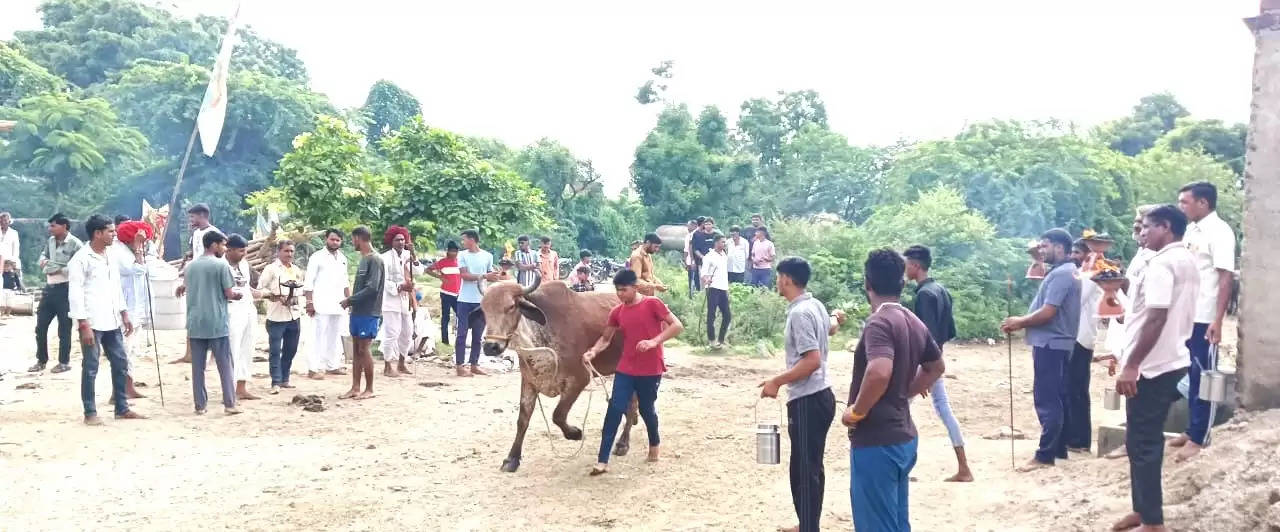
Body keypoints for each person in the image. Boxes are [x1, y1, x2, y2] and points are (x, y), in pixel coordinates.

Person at [842, 249, 945, 532]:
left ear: (867, 284)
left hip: (878, 441)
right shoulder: (912, 320)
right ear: (901, 283)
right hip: (903, 438)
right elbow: (936, 367)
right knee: (897, 523)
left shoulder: (879, 321)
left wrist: (856, 412)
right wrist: (904, 393)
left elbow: (879, 371)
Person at [1110, 204, 1198, 532]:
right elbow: (1150, 307)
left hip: (1153, 365)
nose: (1142, 232)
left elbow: (1158, 316)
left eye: (1147, 227)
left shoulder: (1163, 262)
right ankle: (1143, 509)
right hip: (1170, 357)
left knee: (1143, 443)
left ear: (1165, 227)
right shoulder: (1185, 259)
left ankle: (1152, 523)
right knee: (1139, 440)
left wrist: (1132, 364)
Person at [760, 256, 846, 532]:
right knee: (809, 465)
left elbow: (811, 361)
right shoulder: (815, 305)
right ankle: (807, 524)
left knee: (804, 471)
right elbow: (830, 327)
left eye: (778, 278)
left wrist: (776, 381)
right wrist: (836, 318)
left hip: (808, 399)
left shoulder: (799, 313)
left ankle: (809, 527)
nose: (777, 282)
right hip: (821, 395)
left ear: (786, 279)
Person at [583, 269, 685, 476]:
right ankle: (602, 460)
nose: (620, 294)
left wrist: (654, 341)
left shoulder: (652, 304)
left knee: (647, 409)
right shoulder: (617, 312)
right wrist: (593, 351)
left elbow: (677, 326)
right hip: (626, 368)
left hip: (651, 368)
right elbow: (605, 338)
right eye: (617, 290)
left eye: (624, 290)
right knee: (614, 409)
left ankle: (654, 445)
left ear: (635, 288)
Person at [1001, 228, 1081, 472]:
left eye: (1045, 246)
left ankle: (1044, 455)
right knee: (1057, 396)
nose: (1042, 251)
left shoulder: (1062, 274)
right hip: (1057, 343)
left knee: (1047, 399)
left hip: (1051, 343)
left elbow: (1048, 312)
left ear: (1059, 247)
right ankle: (1058, 449)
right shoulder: (1065, 272)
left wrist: (1019, 322)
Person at [1172, 181, 1236, 462]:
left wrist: (1217, 320)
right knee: (1191, 374)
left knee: (1204, 375)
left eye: (1185, 202)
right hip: (1187, 313)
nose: (1181, 207)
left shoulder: (1219, 232)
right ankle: (1191, 429)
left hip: (1205, 316)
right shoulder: (1191, 230)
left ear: (1203, 203)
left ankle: (1201, 436)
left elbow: (1225, 278)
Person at [902, 245, 972, 482]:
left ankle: (904, 466)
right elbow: (947, 332)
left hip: (927, 363)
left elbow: (925, 337)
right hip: (937, 358)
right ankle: (963, 467)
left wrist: (925, 373)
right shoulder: (940, 290)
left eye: (907, 264)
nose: (904, 268)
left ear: (915, 266)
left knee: (901, 408)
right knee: (943, 408)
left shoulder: (924, 295)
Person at [68, 215, 145, 424]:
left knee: (120, 363)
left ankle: (122, 407)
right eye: (110, 231)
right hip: (92, 321)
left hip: (112, 319)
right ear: (97, 233)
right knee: (91, 367)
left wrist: (124, 312)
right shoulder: (81, 259)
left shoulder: (111, 255)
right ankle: (90, 412)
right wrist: (83, 324)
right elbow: (75, 294)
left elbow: (115, 286)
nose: (114, 234)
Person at [181, 229, 242, 416]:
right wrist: (237, 295)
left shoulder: (189, 267)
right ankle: (230, 404)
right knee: (225, 365)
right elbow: (229, 293)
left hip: (195, 321)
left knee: (198, 367)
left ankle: (200, 405)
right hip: (216, 321)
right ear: (214, 245)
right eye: (223, 245)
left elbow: (187, 287)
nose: (225, 248)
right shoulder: (221, 266)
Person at [32, 212, 82, 373]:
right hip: (49, 288)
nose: (50, 228)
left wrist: (58, 268)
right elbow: (43, 256)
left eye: (53, 225)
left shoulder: (75, 244)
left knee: (64, 328)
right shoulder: (51, 241)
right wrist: (45, 263)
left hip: (65, 289)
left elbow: (78, 268)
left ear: (64, 226)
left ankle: (64, 362)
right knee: (40, 327)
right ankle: (41, 360)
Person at [110, 220, 153, 401]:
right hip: (124, 309)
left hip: (136, 309)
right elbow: (136, 270)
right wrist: (137, 247)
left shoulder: (128, 251)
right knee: (123, 352)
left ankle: (129, 386)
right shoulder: (119, 253)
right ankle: (117, 392)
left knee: (132, 351)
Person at [1066, 238, 1102, 454]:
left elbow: (1076, 300)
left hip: (1081, 338)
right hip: (1076, 337)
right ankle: (1074, 437)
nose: (1074, 256)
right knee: (1072, 389)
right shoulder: (1082, 274)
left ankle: (1079, 440)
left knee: (1077, 390)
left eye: (1079, 252)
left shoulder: (1092, 276)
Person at [339, 226, 384, 400]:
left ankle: (370, 388)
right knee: (357, 349)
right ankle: (355, 387)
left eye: (353, 239)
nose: (352, 243)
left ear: (358, 238)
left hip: (369, 311)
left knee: (364, 349)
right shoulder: (364, 259)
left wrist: (350, 300)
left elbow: (372, 288)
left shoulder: (376, 260)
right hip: (357, 312)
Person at [257, 240, 305, 394]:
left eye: (291, 251)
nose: (289, 254)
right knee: (275, 350)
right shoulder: (271, 269)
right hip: (276, 316)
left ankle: (285, 379)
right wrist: (274, 296)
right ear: (278, 252)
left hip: (294, 315)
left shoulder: (297, 270)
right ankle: (275, 381)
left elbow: (301, 290)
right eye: (286, 251)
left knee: (291, 349)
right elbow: (260, 288)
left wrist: (295, 300)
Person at [304, 228, 350, 380]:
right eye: (332, 239)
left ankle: (332, 365)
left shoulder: (343, 258)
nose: (335, 242)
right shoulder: (317, 257)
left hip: (338, 303)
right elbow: (309, 280)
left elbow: (345, 282)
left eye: (337, 240)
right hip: (320, 302)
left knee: (335, 335)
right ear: (326, 239)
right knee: (317, 335)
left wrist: (349, 300)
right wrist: (309, 302)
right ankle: (313, 368)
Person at [455, 229, 499, 377]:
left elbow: (491, 276)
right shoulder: (462, 255)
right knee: (461, 334)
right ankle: (460, 365)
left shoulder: (488, 256)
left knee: (478, 335)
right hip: (464, 300)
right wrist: (485, 276)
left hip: (481, 301)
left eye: (464, 239)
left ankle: (474, 364)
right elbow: (464, 275)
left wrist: (496, 276)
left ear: (472, 240)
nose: (463, 243)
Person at [224, 234, 262, 401]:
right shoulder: (221, 266)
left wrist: (261, 294)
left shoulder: (244, 265)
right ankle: (228, 389)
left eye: (244, 250)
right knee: (232, 350)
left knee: (248, 348)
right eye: (240, 251)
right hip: (231, 311)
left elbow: (246, 287)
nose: (243, 254)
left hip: (248, 309)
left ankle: (241, 387)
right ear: (229, 249)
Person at [379, 226, 417, 377]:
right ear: (391, 241)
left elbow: (419, 271)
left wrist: (414, 254)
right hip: (390, 300)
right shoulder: (385, 258)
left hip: (405, 300)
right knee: (392, 333)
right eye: (397, 240)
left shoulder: (408, 255)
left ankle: (401, 362)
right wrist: (400, 286)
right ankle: (388, 365)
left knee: (407, 333)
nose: (401, 242)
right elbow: (384, 281)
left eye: (403, 239)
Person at [426, 241, 462, 344]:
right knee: (445, 316)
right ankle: (444, 340)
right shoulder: (442, 262)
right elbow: (428, 270)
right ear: (448, 251)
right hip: (446, 293)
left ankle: (459, 338)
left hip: (458, 293)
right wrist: (440, 277)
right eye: (452, 251)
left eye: (456, 251)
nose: (454, 253)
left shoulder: (460, 262)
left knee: (461, 315)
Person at [701, 234, 732, 349]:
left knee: (727, 315)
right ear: (716, 243)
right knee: (711, 315)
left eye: (725, 242)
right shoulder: (709, 256)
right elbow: (703, 273)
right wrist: (706, 279)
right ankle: (712, 340)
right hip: (713, 288)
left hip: (723, 288)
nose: (724, 244)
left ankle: (721, 340)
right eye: (722, 242)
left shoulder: (724, 255)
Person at [0, 212, 19, 281]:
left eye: (5, 220)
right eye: (1, 220)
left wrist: (13, 262)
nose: (3, 222)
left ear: (9, 221)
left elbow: (16, 249)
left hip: (9, 262)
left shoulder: (14, 233)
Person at [683, 219, 698, 297]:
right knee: (690, 279)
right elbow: (686, 250)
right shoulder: (687, 236)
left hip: (695, 262)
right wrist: (685, 261)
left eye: (689, 226)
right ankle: (691, 295)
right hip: (689, 262)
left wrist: (693, 261)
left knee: (695, 279)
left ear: (695, 226)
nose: (687, 227)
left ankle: (695, 295)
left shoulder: (697, 235)